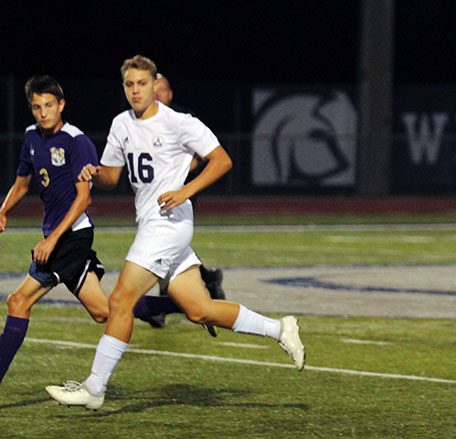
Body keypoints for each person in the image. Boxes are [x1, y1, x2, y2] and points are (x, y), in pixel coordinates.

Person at [45, 55, 305, 410]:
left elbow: (222, 160)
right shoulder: (121, 123)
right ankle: (280, 328)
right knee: (199, 310)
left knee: (120, 300)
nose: (135, 90)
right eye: (129, 85)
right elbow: (111, 176)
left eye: (141, 83)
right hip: (152, 223)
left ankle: (94, 388)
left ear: (155, 85)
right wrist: (94, 172)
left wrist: (185, 190)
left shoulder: (179, 123)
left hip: (169, 224)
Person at [0, 75, 184, 385]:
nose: (43, 113)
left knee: (18, 301)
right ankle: (181, 305)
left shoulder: (76, 141)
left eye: (48, 106)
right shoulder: (32, 137)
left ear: (61, 105)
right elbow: (22, 183)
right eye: (36, 107)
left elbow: (84, 198)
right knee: (103, 311)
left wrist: (52, 239)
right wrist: (3, 210)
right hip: (62, 236)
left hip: (71, 236)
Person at [137, 72, 225, 333]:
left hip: (181, 193)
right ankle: (207, 280)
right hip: (154, 195)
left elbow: (206, 156)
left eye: (163, 89)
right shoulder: (143, 121)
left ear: (170, 93)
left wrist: (181, 177)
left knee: (162, 246)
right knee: (167, 249)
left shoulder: (181, 119)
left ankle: (165, 307)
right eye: (156, 89)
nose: (159, 94)